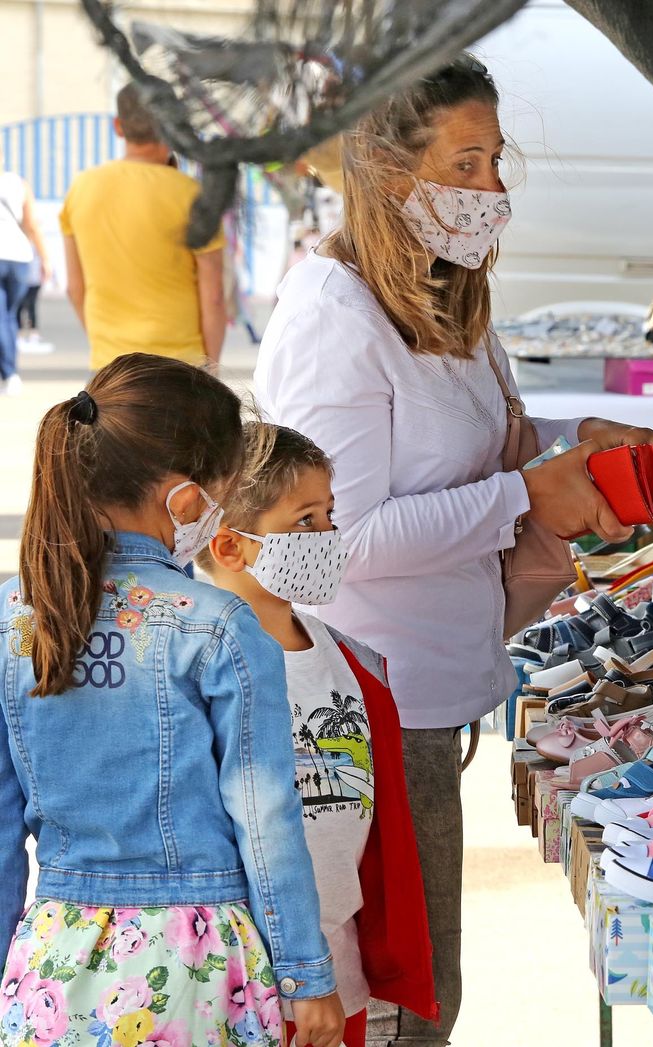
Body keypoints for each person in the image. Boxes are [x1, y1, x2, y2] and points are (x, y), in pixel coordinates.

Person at [254, 55, 653, 1045]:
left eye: (496, 160)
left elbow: (484, 446)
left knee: (421, 994)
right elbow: (334, 544)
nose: (492, 189)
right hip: (371, 710)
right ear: (389, 173)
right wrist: (526, 492)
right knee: (405, 1005)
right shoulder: (333, 319)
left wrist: (577, 444)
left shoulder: (443, 298)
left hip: (430, 698)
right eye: (466, 162)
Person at [0, 355, 345, 1047]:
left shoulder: (16, 618)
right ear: (185, 501)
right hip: (196, 964)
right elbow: (265, 815)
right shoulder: (217, 624)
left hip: (53, 966)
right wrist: (305, 976)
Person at [200, 424, 437, 1045]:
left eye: (330, 515)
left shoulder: (355, 664)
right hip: (230, 981)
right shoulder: (197, 667)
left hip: (337, 974)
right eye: (305, 520)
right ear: (230, 547)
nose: (328, 537)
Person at [59, 85, 227, 372]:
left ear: (118, 126)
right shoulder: (193, 195)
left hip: (111, 367)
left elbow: (75, 289)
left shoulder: (82, 188)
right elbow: (214, 297)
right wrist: (209, 371)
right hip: (180, 367)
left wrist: (105, 348)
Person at [0, 168, 49, 394]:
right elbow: (31, 224)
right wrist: (45, 258)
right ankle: (11, 374)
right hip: (19, 257)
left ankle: (9, 373)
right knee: (9, 316)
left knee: (3, 318)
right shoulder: (18, 183)